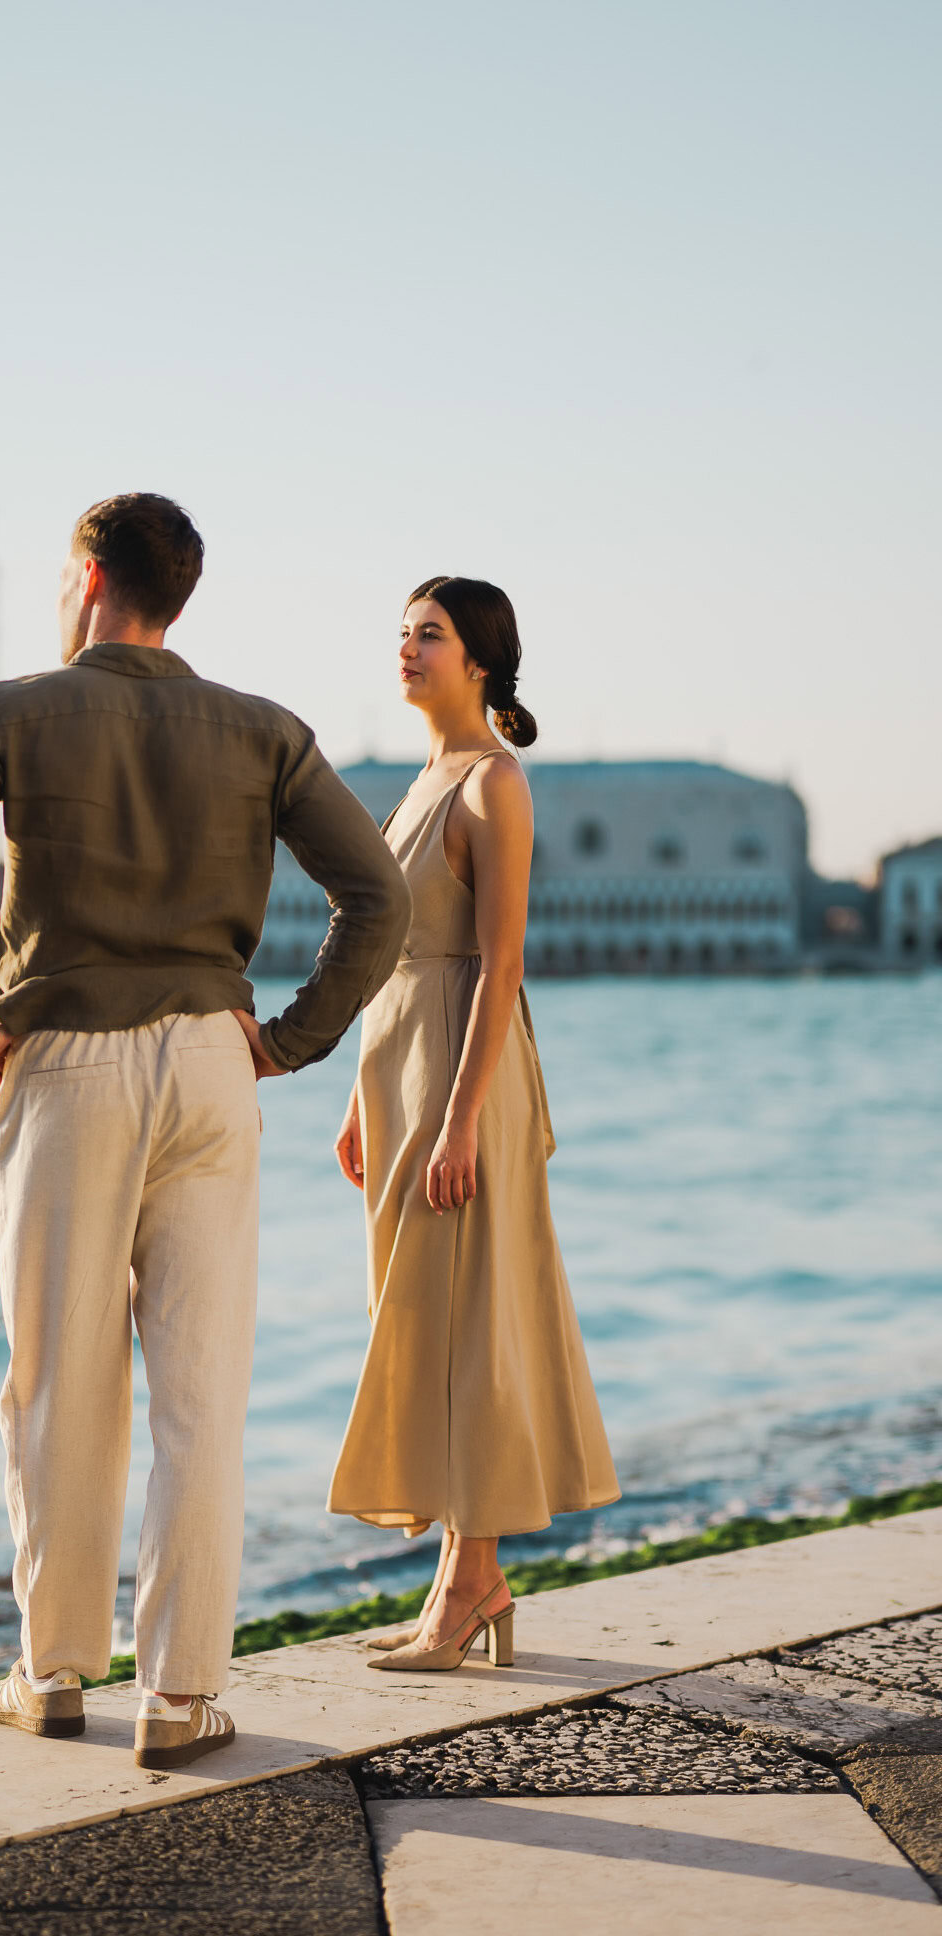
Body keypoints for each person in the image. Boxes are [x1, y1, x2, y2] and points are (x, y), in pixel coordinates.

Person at [0, 494, 410, 1767]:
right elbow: (375, 898)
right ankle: (177, 1699)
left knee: (61, 1384)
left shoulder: (6, 710)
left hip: (61, 1064)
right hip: (212, 1067)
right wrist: (285, 1040)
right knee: (198, 1392)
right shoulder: (262, 729)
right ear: (179, 596)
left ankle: (53, 1674)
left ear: (85, 576)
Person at [328, 575, 618, 1673]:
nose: (405, 649)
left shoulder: (495, 782)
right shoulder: (421, 779)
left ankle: (466, 1581)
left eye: (428, 635)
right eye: (400, 633)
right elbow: (386, 950)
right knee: (419, 1317)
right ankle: (467, 1575)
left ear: (479, 659)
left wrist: (456, 1124)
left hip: (464, 1071)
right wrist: (362, 1098)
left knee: (468, 1315)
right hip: (398, 1066)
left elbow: (500, 961)